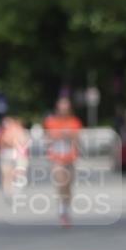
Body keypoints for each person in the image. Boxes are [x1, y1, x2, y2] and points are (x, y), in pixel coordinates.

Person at [43, 96, 83, 226]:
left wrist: (69, 136)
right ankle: (62, 210)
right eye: (61, 107)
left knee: (68, 186)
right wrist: (57, 136)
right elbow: (47, 139)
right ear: (58, 108)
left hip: (70, 158)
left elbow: (78, 139)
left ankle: (66, 209)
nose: (63, 110)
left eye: (66, 107)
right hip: (56, 158)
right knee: (61, 182)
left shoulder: (75, 122)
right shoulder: (51, 122)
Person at [0, 117, 30, 201]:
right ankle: (7, 190)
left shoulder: (19, 131)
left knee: (16, 172)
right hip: (8, 153)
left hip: (17, 154)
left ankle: (14, 188)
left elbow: (23, 143)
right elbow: (2, 142)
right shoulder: (5, 132)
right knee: (7, 172)